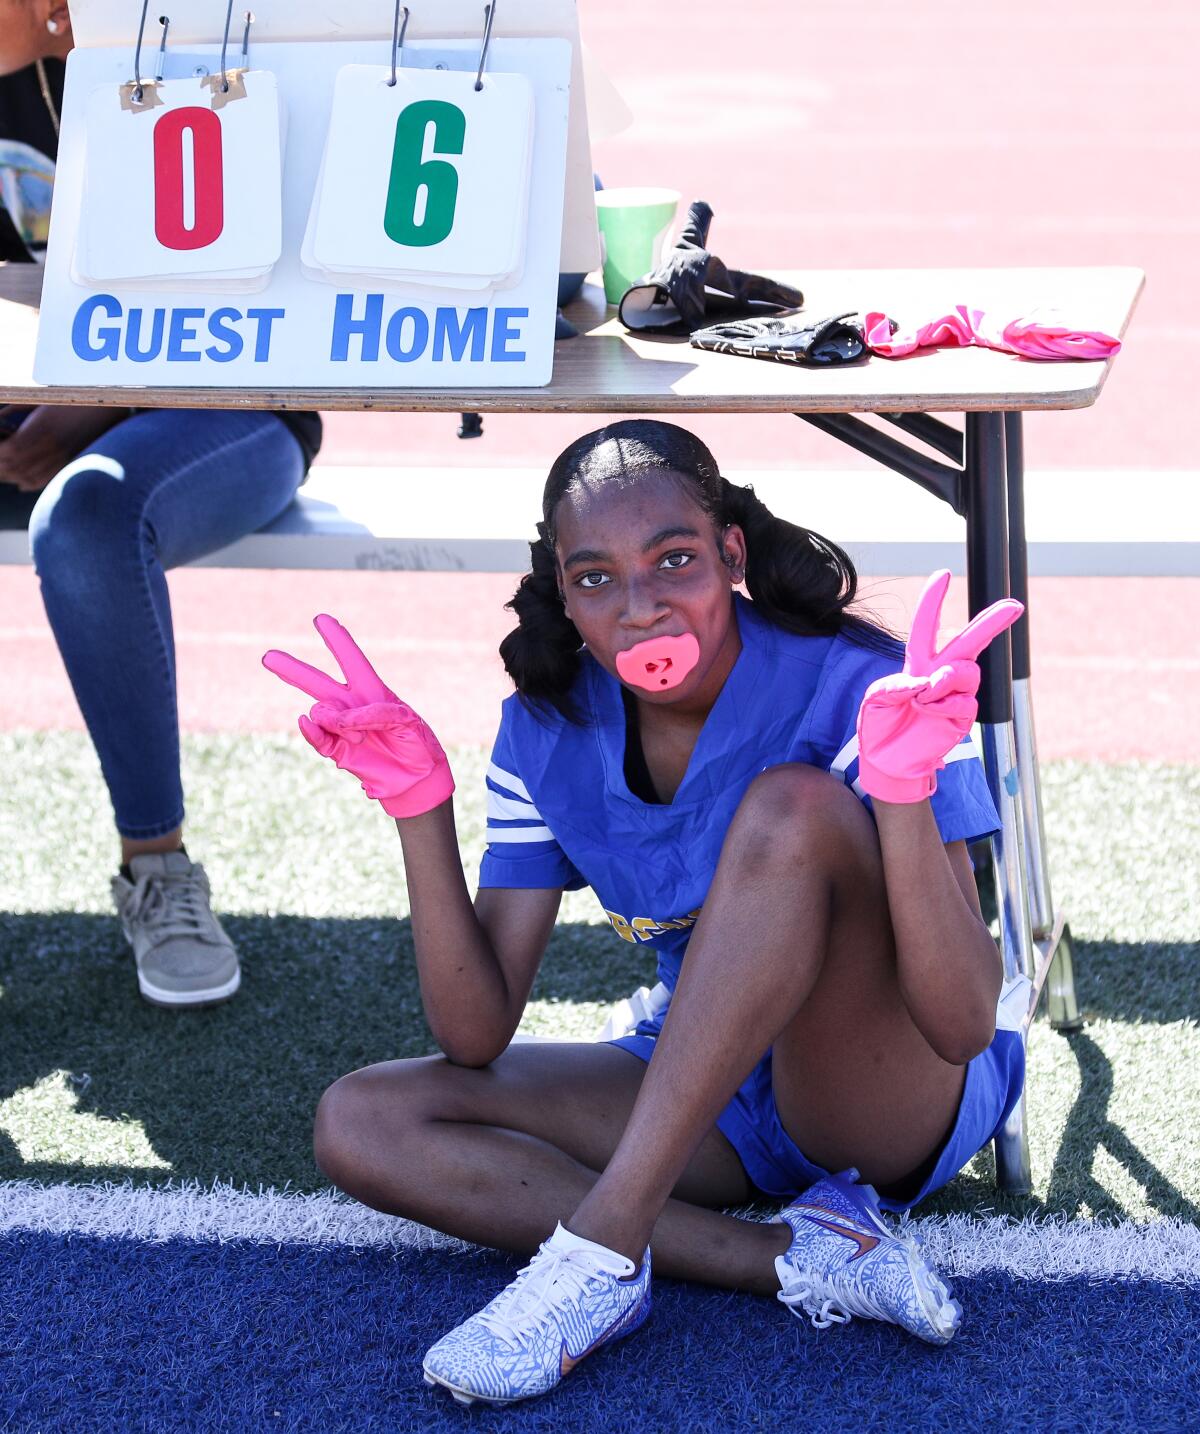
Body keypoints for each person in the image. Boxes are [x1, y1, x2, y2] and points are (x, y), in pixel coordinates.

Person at [263, 420, 1025, 1407]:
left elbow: (964, 1023)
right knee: (365, 1120)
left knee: (790, 809)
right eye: (596, 579)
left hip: (878, 1097)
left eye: (675, 561)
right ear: (563, 594)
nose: (641, 607)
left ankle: (601, 1256)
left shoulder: (871, 687)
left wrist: (903, 787)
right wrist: (419, 811)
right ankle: (790, 1255)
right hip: (708, 1093)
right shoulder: (544, 725)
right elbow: (473, 1029)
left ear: (732, 555)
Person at [0, 1, 322, 1006]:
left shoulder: (194, 43)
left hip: (222, 405)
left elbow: (267, 284)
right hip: (23, 407)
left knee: (87, 517)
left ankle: (158, 868)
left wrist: (98, 403)